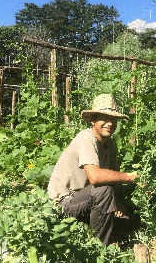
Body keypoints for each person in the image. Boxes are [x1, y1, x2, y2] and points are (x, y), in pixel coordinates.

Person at [47, 94, 139, 245]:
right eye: (104, 118)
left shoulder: (110, 143)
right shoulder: (87, 139)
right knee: (104, 190)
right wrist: (131, 177)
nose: (110, 123)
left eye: (114, 119)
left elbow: (114, 174)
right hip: (64, 203)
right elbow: (95, 177)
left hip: (86, 199)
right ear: (93, 120)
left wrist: (117, 203)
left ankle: (91, 234)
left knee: (130, 219)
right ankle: (98, 249)